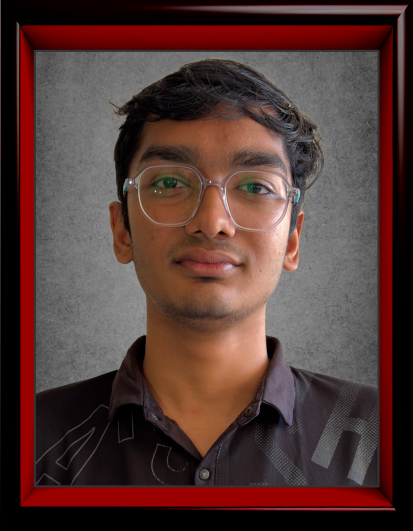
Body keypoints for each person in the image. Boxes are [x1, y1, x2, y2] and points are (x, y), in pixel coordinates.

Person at [36, 59, 378, 487]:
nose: (212, 222)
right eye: (169, 183)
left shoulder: (378, 437)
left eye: (255, 186)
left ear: (292, 240)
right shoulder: (31, 439)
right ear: (122, 230)